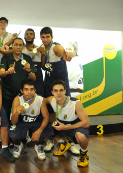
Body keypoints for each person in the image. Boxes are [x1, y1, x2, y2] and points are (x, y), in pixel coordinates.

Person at [39, 27, 78, 155]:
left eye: (47, 37)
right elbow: (44, 67)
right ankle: (51, 139)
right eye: (43, 37)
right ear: (41, 37)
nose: (45, 39)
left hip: (61, 85)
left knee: (66, 113)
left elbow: (65, 55)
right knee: (51, 113)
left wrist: (69, 54)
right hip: (49, 84)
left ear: (52, 37)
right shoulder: (43, 48)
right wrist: (43, 54)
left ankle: (69, 142)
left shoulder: (56, 47)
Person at [44, 79, 90, 167]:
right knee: (44, 128)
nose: (59, 93)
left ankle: (84, 153)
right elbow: (43, 100)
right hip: (62, 125)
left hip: (75, 126)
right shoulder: (51, 100)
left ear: (65, 91)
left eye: (61, 90)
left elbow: (86, 123)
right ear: (52, 92)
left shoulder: (75, 103)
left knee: (81, 137)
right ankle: (63, 143)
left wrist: (65, 127)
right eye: (56, 91)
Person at [9, 78, 54, 160]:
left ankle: (39, 146)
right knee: (11, 132)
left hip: (36, 122)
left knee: (51, 128)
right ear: (21, 90)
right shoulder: (17, 99)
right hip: (21, 122)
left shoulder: (40, 99)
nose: (29, 92)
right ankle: (18, 145)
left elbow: (46, 117)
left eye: (31, 89)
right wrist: (17, 113)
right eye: (26, 89)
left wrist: (39, 130)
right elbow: (13, 122)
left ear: (35, 90)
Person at [0, 38, 36, 124]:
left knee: (20, 118)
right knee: (5, 118)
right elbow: (1, 74)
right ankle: (6, 136)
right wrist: (7, 72)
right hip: (7, 95)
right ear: (12, 46)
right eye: (16, 44)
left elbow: (34, 78)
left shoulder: (27, 58)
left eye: (20, 45)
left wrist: (29, 70)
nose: (18, 47)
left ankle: (19, 136)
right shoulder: (6, 58)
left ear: (23, 46)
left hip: (23, 96)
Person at [22, 28, 44, 97]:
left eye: (31, 34)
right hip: (24, 80)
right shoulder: (21, 50)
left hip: (38, 80)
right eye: (27, 34)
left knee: (39, 102)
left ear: (34, 37)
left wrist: (43, 54)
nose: (28, 36)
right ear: (24, 37)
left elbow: (43, 67)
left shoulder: (39, 49)